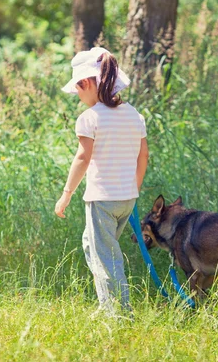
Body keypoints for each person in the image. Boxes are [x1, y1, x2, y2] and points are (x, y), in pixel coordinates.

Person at [54, 46, 149, 315]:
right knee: (92, 245)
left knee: (107, 257)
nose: (78, 97)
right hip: (126, 199)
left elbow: (83, 158)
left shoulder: (89, 118)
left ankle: (119, 314)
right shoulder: (134, 115)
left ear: (85, 83)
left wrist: (66, 193)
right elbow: (144, 156)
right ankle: (108, 303)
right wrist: (134, 188)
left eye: (78, 90)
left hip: (101, 199)